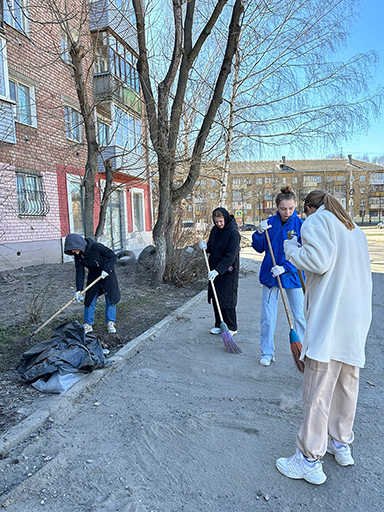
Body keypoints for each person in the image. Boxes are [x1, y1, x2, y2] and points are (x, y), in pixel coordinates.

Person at [276, 189, 372, 485]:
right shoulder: (354, 229)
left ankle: (308, 459)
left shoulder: (317, 221)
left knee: (317, 391)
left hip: (330, 319)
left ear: (308, 208)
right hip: (354, 322)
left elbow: (317, 261)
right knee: (346, 386)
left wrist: (291, 248)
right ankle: (341, 444)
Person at [252, 186, 306, 366]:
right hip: (271, 276)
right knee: (267, 316)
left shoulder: (301, 225)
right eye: (283, 208)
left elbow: (305, 252)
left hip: (293, 277)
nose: (287, 212)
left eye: (291, 208)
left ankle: (305, 352)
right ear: (277, 207)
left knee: (299, 316)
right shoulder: (270, 223)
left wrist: (286, 267)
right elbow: (259, 247)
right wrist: (259, 233)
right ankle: (267, 352)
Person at [64, 234, 121, 334]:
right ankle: (88, 324)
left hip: (107, 274)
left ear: (79, 245)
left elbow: (112, 256)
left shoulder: (97, 247)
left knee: (111, 298)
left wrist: (107, 270)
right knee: (89, 299)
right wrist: (79, 289)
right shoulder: (78, 256)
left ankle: (110, 322)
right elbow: (80, 272)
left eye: (73, 249)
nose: (73, 252)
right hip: (94, 276)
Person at [199, 207, 240, 335]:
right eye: (216, 222)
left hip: (228, 271)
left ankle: (232, 327)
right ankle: (219, 324)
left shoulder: (233, 233)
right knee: (216, 297)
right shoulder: (215, 230)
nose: (219, 224)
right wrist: (205, 247)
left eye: (221, 221)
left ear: (226, 218)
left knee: (227, 299)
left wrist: (218, 270)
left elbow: (231, 255)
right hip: (214, 270)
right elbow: (213, 246)